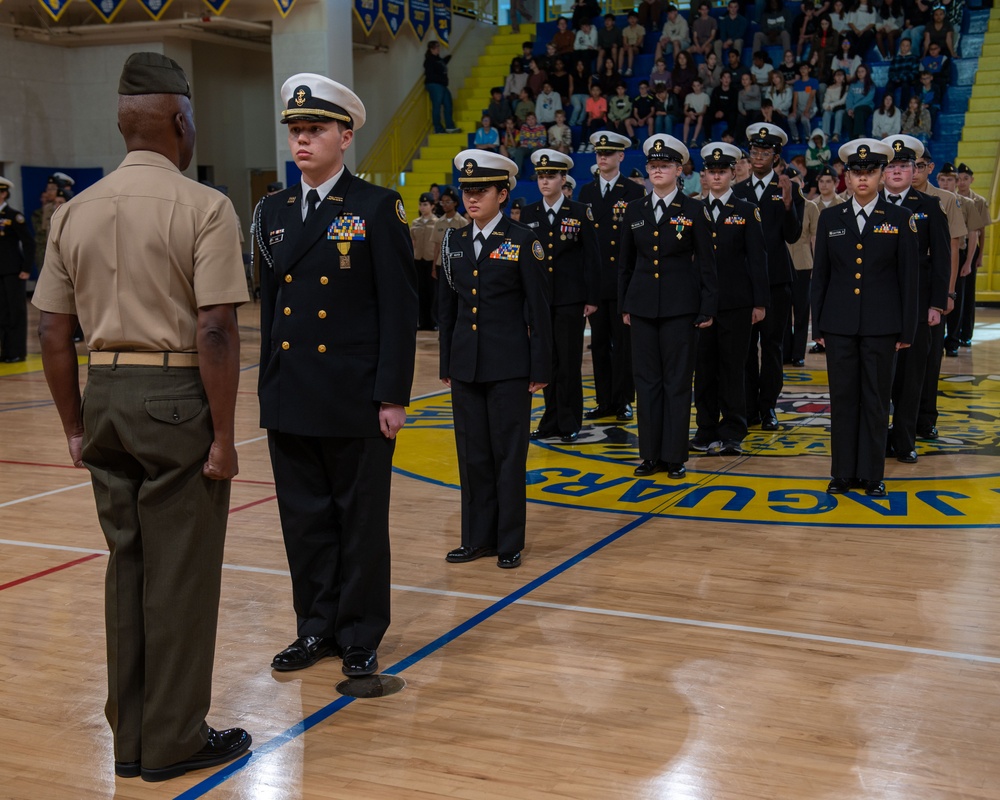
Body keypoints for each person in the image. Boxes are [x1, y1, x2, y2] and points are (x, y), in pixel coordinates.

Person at [33, 52, 250, 781]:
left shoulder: (73, 211)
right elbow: (215, 327)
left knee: (126, 569)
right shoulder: (204, 207)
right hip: (176, 397)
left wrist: (72, 424)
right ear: (181, 121)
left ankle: (127, 740)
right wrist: (223, 436)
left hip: (105, 396)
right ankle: (174, 739)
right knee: (181, 576)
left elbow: (51, 332)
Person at [256, 74, 418, 679]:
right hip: (293, 391)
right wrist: (268, 383)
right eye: (296, 131)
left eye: (315, 130)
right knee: (304, 522)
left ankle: (358, 632)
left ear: (345, 137)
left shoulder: (376, 206)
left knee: (360, 524)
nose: (302, 141)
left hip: (354, 395)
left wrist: (393, 395)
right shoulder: (271, 210)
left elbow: (400, 310)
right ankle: (315, 627)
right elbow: (271, 307)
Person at [439, 150, 552, 569]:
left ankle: (508, 541)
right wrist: (447, 362)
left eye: (481, 191)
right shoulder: (453, 241)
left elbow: (539, 310)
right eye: (467, 191)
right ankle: (476, 538)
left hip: (509, 365)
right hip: (466, 365)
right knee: (472, 455)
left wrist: (541, 367)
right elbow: (446, 308)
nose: (471, 199)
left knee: (507, 455)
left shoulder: (524, 241)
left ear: (502, 193)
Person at [811, 138, 918, 496]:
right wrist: (819, 325)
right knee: (842, 399)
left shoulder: (901, 219)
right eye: (856, 172)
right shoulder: (830, 218)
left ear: (882, 174)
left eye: (870, 172)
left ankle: (872, 474)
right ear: (846, 175)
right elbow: (820, 277)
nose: (862, 179)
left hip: (882, 326)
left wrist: (907, 328)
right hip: (839, 324)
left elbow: (908, 278)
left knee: (875, 400)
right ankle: (842, 472)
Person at [619, 133, 717, 478]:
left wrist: (707, 307)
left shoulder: (694, 209)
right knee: (646, 382)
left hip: (681, 307)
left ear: (680, 169)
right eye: (653, 165)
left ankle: (674, 456)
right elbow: (626, 265)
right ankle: (649, 455)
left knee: (677, 382)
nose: (657, 170)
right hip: (642, 306)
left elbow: (707, 263)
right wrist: (624, 305)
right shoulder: (634, 210)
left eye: (665, 165)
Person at [691, 142, 768, 456]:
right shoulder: (692, 209)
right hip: (700, 304)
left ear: (734, 172)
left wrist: (760, 302)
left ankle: (734, 429)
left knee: (734, 369)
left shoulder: (747, 210)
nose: (717, 176)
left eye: (723, 170)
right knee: (704, 368)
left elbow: (758, 259)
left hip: (737, 303)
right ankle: (706, 428)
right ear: (705, 174)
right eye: (712, 171)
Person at [522, 150, 600, 442]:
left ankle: (569, 421)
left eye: (550, 176)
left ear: (563, 178)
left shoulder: (580, 212)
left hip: (570, 298)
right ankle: (550, 420)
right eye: (541, 176)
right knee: (545, 361)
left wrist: (591, 297)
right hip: (540, 299)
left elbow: (592, 258)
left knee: (568, 362)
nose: (545, 182)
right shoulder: (529, 212)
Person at [883, 135, 950, 464]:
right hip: (877, 307)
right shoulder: (870, 207)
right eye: (891, 166)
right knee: (878, 377)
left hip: (918, 306)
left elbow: (941, 259)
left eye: (903, 166)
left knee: (911, 378)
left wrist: (936, 304)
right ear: (883, 172)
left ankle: (905, 438)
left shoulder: (929, 207)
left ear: (915, 171)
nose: (896, 171)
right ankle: (878, 436)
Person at [732, 122, 803, 431]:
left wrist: (789, 204)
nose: (758, 155)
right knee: (745, 349)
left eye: (765, 151)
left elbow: (793, 235)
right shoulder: (738, 191)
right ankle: (748, 407)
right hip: (744, 282)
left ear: (776, 156)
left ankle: (769, 407)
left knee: (772, 348)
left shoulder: (788, 188)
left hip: (776, 280)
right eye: (754, 150)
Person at [579, 131, 646, 422]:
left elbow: (637, 241)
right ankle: (604, 399)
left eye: (608, 153)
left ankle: (623, 400)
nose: (603, 157)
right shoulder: (586, 193)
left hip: (623, 281)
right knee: (599, 345)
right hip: (596, 282)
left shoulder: (633, 191)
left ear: (621, 156)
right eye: (599, 153)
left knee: (624, 346)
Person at [783, 167, 818, 367]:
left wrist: (817, 265)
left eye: (796, 179)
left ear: (803, 183)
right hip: (782, 263)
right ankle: (785, 351)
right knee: (784, 311)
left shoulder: (811, 207)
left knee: (802, 311)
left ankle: (798, 353)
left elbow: (815, 238)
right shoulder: (778, 204)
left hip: (804, 264)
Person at [954, 163, 991, 348]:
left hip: (971, 248)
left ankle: (966, 333)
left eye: (965, 179)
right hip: (955, 247)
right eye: (959, 179)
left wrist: (979, 256)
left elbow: (981, 231)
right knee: (956, 293)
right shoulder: (950, 198)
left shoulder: (979, 201)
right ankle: (954, 330)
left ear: (972, 180)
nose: (961, 182)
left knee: (968, 293)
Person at [0, 176, 34, 363]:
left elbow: (29, 243)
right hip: (0, 272)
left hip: (13, 270)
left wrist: (26, 268)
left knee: (16, 312)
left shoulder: (14, 216)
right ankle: (5, 351)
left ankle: (17, 352)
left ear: (4, 193)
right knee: (2, 312)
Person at [411, 192, 440, 331]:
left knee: (432, 293)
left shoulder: (437, 222)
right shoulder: (415, 223)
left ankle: (433, 321)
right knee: (420, 292)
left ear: (432, 206)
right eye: (421, 204)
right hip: (418, 260)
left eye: (426, 204)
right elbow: (413, 242)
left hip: (431, 261)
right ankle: (422, 322)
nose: (423, 207)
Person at [424, 40, 460, 134]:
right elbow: (431, 73)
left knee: (448, 104)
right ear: (431, 49)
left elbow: (441, 64)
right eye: (436, 47)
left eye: (438, 47)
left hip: (442, 85)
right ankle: (438, 128)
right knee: (437, 106)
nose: (438, 49)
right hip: (435, 85)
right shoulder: (429, 60)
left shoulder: (437, 59)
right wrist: (440, 79)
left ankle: (449, 126)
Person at [845, 62, 875, 137]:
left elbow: (868, 99)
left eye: (862, 71)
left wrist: (854, 108)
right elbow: (849, 98)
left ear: (866, 72)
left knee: (859, 111)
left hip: (866, 107)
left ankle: (861, 135)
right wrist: (849, 109)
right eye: (858, 72)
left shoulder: (871, 85)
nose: (860, 73)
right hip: (854, 108)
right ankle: (852, 139)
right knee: (846, 115)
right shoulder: (853, 85)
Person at [822, 69, 848, 142]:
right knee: (826, 113)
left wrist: (832, 105)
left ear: (844, 77)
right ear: (834, 77)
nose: (839, 77)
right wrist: (826, 106)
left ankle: (836, 134)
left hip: (841, 108)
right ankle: (826, 135)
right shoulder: (830, 88)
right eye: (837, 75)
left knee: (839, 114)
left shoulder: (846, 87)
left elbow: (843, 101)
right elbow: (826, 101)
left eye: (841, 75)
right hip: (831, 108)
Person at [620, 10, 646, 77]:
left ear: (637, 19)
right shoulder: (625, 30)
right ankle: (619, 70)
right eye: (630, 18)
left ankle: (629, 69)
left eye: (634, 18)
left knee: (630, 49)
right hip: (628, 46)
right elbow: (625, 41)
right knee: (621, 49)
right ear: (628, 20)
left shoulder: (641, 28)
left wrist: (631, 46)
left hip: (637, 47)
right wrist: (626, 45)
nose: (632, 20)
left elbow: (639, 41)